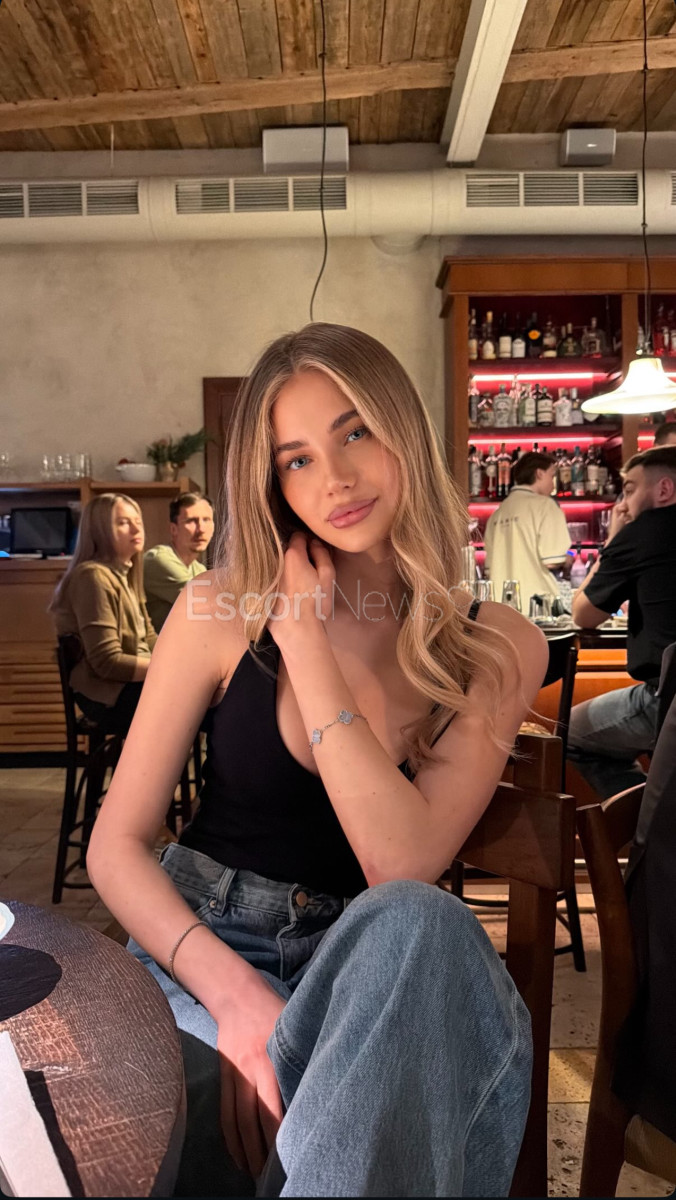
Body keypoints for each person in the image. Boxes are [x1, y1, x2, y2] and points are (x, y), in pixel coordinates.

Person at [87, 324, 547, 1198]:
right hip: (208, 939)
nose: (333, 478)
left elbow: (399, 865)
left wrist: (302, 636)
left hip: (378, 969)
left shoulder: (496, 645)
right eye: (296, 459)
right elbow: (116, 845)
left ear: (403, 427)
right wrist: (237, 999)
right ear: (272, 484)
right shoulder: (218, 609)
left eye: (354, 431)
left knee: (422, 920)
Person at [568, 446, 676, 800]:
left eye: (629, 490)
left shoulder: (644, 531)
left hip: (666, 700)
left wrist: (613, 541)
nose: (622, 506)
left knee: (569, 732)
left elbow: (584, 613)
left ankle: (648, 823)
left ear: (664, 489)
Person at [50, 493, 157, 734]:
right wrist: (166, 669)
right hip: (108, 694)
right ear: (99, 531)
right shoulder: (92, 577)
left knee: (214, 695)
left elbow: (149, 638)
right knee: (209, 704)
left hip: (133, 684)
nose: (136, 528)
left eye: (137, 521)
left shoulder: (125, 574)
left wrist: (183, 660)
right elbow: (107, 663)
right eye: (123, 523)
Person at [484, 450, 570, 609]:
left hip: (501, 606)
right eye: (552, 476)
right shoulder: (546, 505)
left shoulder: (497, 514)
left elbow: (489, 569)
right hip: (538, 605)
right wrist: (569, 558)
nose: (553, 485)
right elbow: (553, 560)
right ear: (539, 474)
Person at [144, 493, 214, 632]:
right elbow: (210, 607)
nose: (201, 529)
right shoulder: (159, 559)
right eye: (191, 521)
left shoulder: (199, 569)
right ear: (173, 529)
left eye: (206, 520)